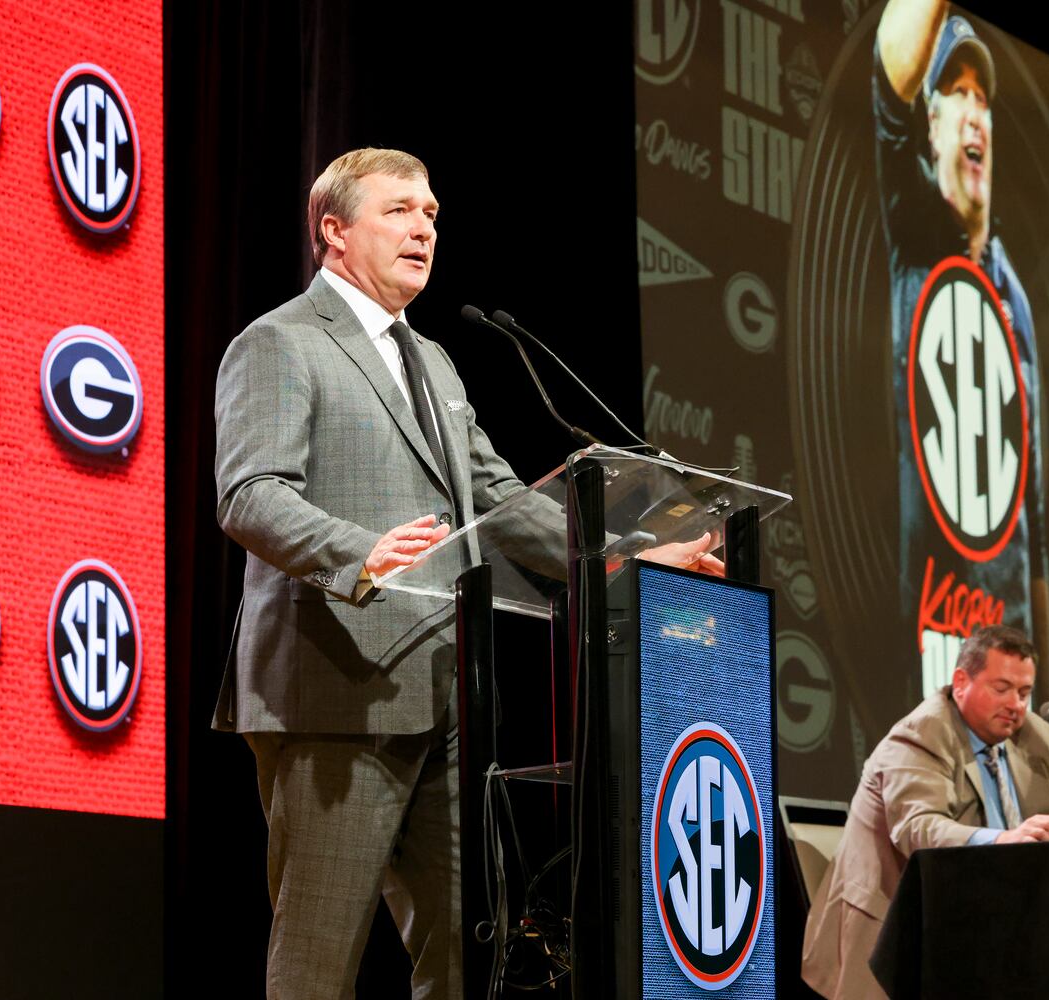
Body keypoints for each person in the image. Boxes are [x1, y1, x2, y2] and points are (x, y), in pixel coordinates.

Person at [214, 148, 720, 999]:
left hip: (446, 692)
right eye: (401, 210)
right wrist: (356, 553)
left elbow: (496, 499)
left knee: (463, 955)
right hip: (335, 691)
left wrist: (630, 560)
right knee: (317, 960)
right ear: (334, 232)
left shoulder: (436, 362)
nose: (423, 228)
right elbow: (250, 494)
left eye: (433, 214)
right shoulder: (280, 342)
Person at [800, 625, 1049, 998]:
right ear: (961, 681)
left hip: (982, 927)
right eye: (1002, 688)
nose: (1016, 705)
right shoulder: (921, 734)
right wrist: (1004, 840)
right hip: (895, 937)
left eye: (1025, 692)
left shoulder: (1036, 737)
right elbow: (917, 829)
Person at [874, 1, 1049, 693]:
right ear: (930, 126)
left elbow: (1032, 535)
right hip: (932, 658)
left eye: (983, 97)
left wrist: (1043, 696)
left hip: (1007, 678)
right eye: (955, 92)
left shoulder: (1014, 296)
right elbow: (891, 61)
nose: (974, 110)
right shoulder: (916, 219)